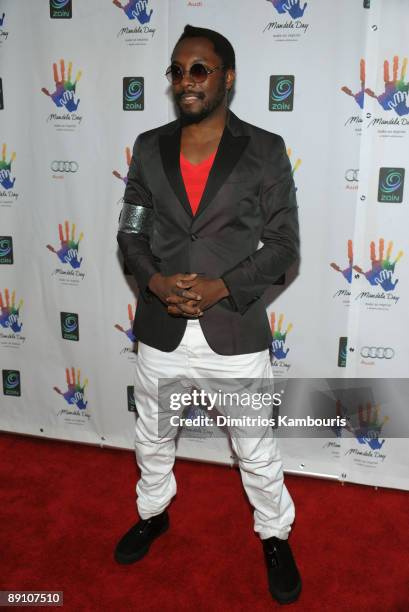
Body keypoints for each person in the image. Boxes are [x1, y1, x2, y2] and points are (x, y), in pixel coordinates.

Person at [115, 24, 301, 604]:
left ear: (227, 77)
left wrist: (223, 286)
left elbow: (284, 246)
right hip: (160, 328)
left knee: (255, 446)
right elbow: (130, 233)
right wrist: (153, 280)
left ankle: (273, 534)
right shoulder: (148, 147)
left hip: (235, 332)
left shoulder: (265, 149)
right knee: (152, 433)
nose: (186, 81)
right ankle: (154, 513)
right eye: (176, 70)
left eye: (199, 69)